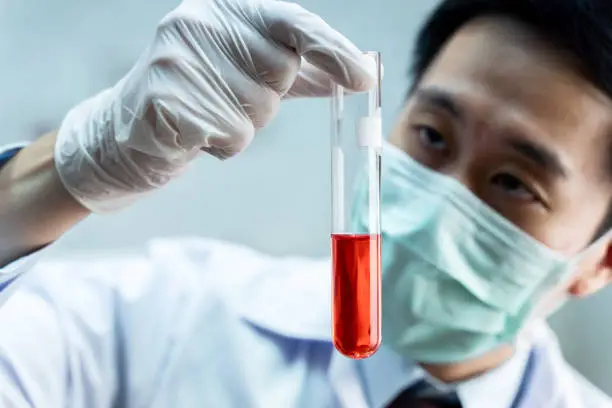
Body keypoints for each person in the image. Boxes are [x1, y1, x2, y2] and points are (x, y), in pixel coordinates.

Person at [1, 0, 612, 406]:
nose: (435, 205)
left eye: (513, 182)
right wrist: (64, 170)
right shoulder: (164, 320)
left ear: (599, 263)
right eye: (431, 135)